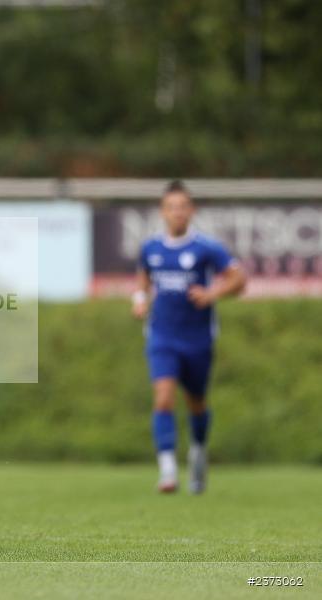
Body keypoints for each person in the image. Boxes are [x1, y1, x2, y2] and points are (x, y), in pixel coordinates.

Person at [132, 180, 246, 494]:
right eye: (171, 207)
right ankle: (168, 471)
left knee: (196, 402)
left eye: (183, 207)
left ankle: (197, 451)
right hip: (162, 336)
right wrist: (139, 301)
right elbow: (142, 282)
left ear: (191, 211)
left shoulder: (207, 248)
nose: (177, 213)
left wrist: (213, 293)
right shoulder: (150, 249)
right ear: (163, 212)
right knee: (164, 397)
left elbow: (240, 279)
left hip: (197, 339)